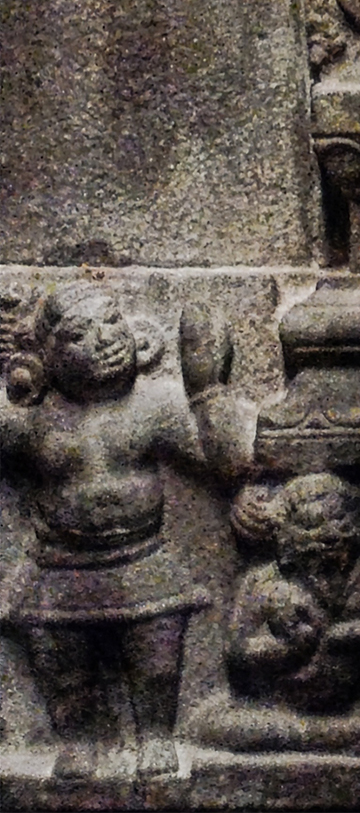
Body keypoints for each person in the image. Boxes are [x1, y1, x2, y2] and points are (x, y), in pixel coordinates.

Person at [0, 283, 254, 780]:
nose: (105, 339)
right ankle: (76, 740)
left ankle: (156, 734)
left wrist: (207, 391)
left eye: (112, 320)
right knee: (62, 667)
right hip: (59, 567)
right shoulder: (36, 419)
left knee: (157, 661)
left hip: (142, 560)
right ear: (47, 357)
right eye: (80, 334)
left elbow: (225, 460)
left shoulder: (152, 405)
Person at [194, 473, 360, 755]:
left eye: (337, 551)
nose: (325, 570)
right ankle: (338, 736)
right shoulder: (262, 581)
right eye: (312, 557)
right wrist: (285, 647)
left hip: (350, 695)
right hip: (281, 702)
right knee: (213, 726)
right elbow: (237, 651)